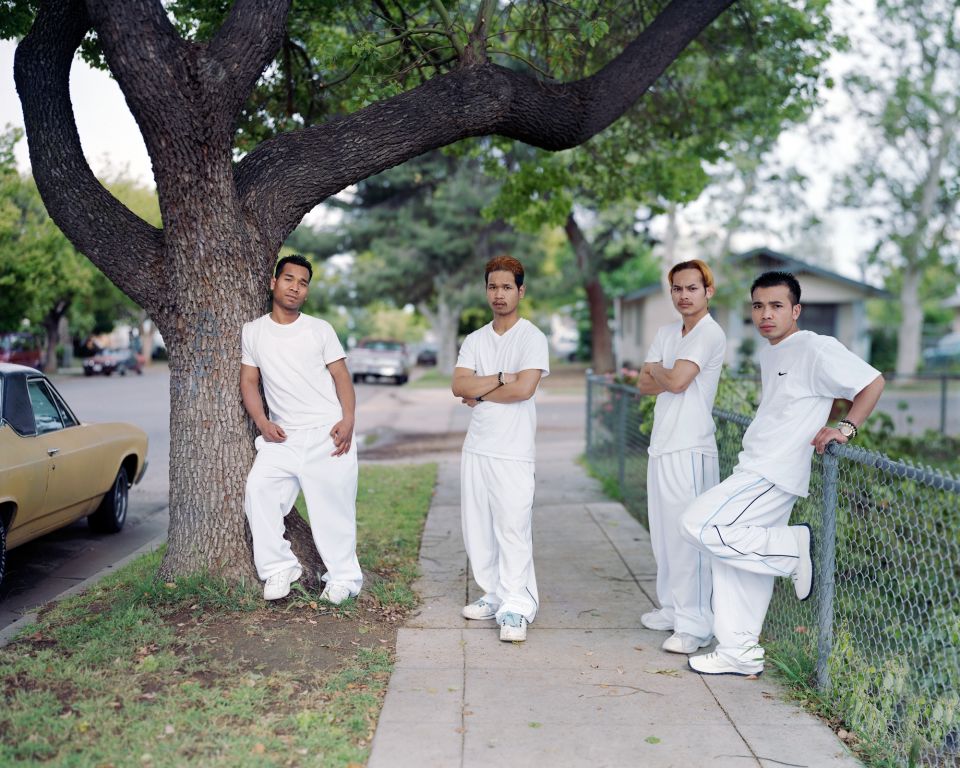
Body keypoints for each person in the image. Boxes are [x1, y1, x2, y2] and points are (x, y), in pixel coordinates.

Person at [682, 271, 885, 677]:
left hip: (771, 472)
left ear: (796, 310)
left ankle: (793, 548)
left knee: (699, 525)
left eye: (776, 306)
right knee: (737, 559)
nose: (765, 315)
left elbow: (872, 382)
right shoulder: (772, 351)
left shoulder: (815, 347)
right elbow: (804, 400)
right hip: (756, 463)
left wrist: (844, 429)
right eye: (758, 306)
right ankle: (740, 651)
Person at [240, 254, 363, 604]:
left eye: (303, 283)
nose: (295, 287)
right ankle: (279, 569)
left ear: (306, 292)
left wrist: (348, 420)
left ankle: (343, 578)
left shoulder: (319, 329)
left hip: (328, 433)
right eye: (289, 279)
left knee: (333, 511)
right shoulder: (253, 331)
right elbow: (249, 382)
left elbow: (342, 376)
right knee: (258, 491)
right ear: (273, 283)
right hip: (283, 437)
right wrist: (263, 423)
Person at [452, 255, 550, 643]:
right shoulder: (475, 340)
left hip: (513, 450)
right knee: (478, 527)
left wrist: (483, 390)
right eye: (493, 286)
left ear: (520, 291)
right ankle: (494, 594)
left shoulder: (532, 337)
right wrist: (498, 379)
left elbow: (525, 389)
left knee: (512, 527)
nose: (499, 294)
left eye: (507, 287)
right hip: (477, 447)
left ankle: (517, 605)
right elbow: (459, 386)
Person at [637, 260, 726, 654]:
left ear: (708, 291)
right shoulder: (667, 331)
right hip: (662, 445)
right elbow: (643, 385)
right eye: (677, 289)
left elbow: (673, 382)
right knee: (664, 534)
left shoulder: (709, 333)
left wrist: (658, 368)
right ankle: (673, 609)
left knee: (689, 538)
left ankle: (697, 624)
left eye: (691, 288)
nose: (683, 295)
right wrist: (661, 372)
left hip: (691, 448)